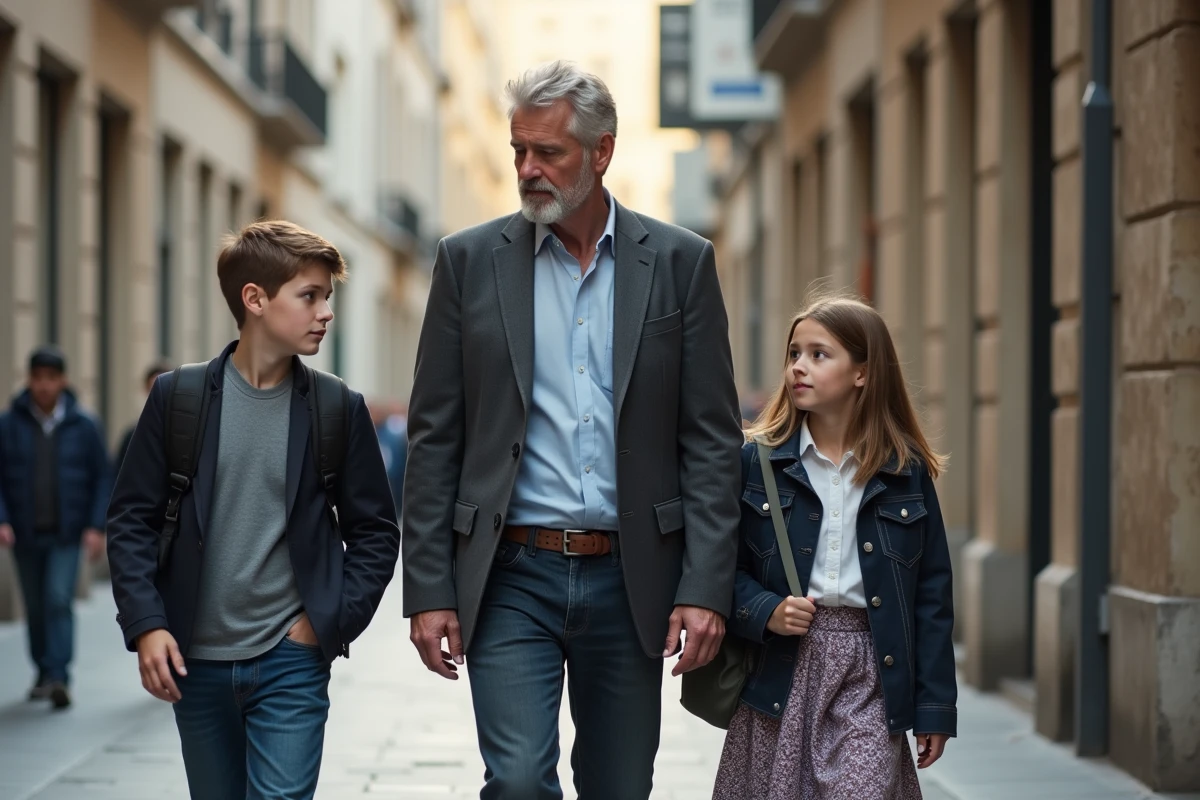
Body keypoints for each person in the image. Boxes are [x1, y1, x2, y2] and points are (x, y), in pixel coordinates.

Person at [402, 60, 743, 799]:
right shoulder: (467, 262)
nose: (528, 169)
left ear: (601, 151)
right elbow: (435, 436)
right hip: (509, 571)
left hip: (632, 576)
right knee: (519, 781)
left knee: (619, 785)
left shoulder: (681, 263)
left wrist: (706, 586)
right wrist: (428, 587)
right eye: (519, 150)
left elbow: (711, 442)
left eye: (548, 152)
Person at [107, 220, 401, 800]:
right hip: (195, 662)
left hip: (292, 661)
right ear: (255, 299)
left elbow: (375, 531)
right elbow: (131, 519)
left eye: (327, 297)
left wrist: (327, 622)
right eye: (309, 296)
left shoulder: (337, 408)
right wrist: (147, 625)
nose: (326, 313)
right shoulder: (178, 398)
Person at [712, 292, 957, 799]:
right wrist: (765, 610)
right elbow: (718, 567)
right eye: (794, 354)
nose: (798, 367)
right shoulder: (756, 463)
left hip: (873, 669)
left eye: (819, 354)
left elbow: (932, 596)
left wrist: (935, 707)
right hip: (781, 669)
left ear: (862, 373)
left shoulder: (905, 471)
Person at [0, 345, 111, 709]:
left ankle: (60, 676)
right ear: (29, 380)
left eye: (51, 378)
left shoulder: (84, 425)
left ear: (63, 380)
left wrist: (95, 526)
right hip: (25, 532)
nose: (44, 385)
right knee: (35, 605)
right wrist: (2, 519)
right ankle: (43, 671)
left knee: (58, 599)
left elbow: (102, 478)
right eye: (38, 378)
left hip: (68, 532)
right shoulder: (9, 424)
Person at [114, 361, 172, 471]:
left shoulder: (188, 436)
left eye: (164, 392)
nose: (159, 398)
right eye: (153, 391)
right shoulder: (132, 436)